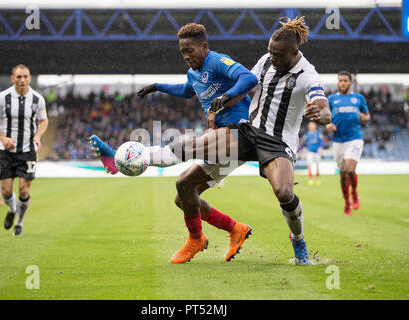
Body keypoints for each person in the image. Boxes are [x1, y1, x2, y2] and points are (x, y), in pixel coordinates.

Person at [92, 16, 332, 265]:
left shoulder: (308, 75)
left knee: (283, 192)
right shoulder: (264, 61)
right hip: (248, 132)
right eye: (270, 52)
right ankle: (134, 161)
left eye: (277, 55)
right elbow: (242, 87)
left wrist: (323, 113)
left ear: (295, 52)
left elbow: (321, 102)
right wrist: (218, 105)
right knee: (185, 183)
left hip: (277, 142)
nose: (272, 58)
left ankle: (298, 240)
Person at [91, 22, 258, 263]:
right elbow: (187, 90)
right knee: (184, 197)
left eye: (190, 50)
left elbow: (249, 78)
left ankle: (196, 239)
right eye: (182, 52)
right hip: (221, 140)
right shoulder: (194, 73)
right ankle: (235, 229)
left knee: (183, 176)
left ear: (204, 46)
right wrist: (158, 86)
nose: (186, 56)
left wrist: (227, 97)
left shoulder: (218, 61)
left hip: (238, 134)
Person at [0, 64, 48, 236]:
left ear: (30, 78)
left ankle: (20, 223)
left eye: (25, 76)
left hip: (28, 149)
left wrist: (38, 136)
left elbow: (44, 120)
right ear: (12, 78)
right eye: (19, 77)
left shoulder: (37, 100)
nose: (22, 80)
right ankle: (12, 209)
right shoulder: (3, 97)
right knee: (6, 191)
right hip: (6, 150)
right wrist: (3, 138)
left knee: (24, 190)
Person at [326, 71, 370, 216]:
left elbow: (367, 116)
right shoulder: (331, 99)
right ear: (338, 83)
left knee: (350, 170)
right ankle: (347, 202)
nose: (343, 83)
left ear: (350, 83)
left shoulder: (358, 98)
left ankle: (354, 193)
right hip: (338, 141)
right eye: (340, 80)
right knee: (343, 174)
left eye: (345, 80)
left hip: (354, 138)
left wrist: (364, 117)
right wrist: (327, 125)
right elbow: (325, 118)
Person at [299, 121, 324, 185]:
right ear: (309, 127)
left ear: (315, 126)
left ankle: (317, 178)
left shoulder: (318, 133)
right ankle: (310, 179)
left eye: (312, 125)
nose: (311, 126)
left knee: (317, 166)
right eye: (310, 125)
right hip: (310, 152)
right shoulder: (307, 134)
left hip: (317, 152)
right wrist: (300, 151)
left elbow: (321, 141)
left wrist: (321, 147)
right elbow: (303, 143)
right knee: (309, 165)